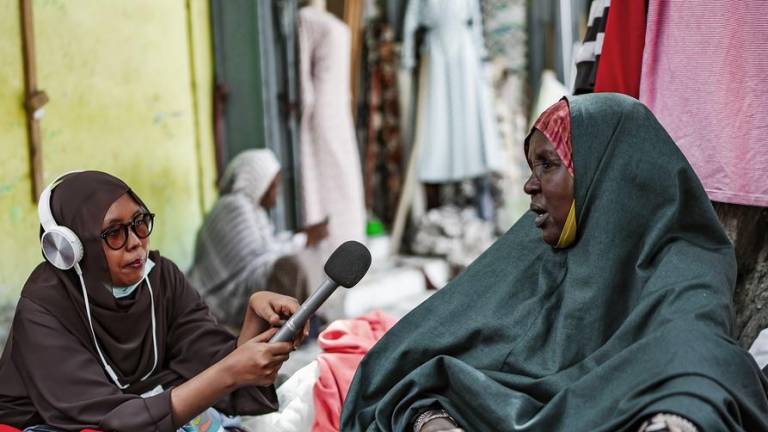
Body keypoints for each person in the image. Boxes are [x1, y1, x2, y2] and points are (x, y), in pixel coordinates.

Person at [340, 94, 768, 431]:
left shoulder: (682, 264)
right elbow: (417, 362)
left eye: (548, 165)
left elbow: (697, 360)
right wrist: (433, 422)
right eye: (532, 167)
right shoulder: (532, 252)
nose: (529, 185)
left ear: (609, 174)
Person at [0, 170, 308, 431]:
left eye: (140, 222)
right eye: (114, 233)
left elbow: (209, 365)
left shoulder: (161, 279)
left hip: (139, 406)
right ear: (71, 249)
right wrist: (229, 371)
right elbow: (112, 419)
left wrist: (252, 329)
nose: (135, 242)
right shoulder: (42, 309)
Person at [187, 149, 328, 328]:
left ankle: (304, 321)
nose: (277, 192)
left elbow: (267, 246)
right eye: (274, 185)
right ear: (257, 182)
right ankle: (295, 325)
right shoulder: (234, 207)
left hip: (240, 285)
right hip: (221, 298)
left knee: (298, 260)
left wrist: (300, 237)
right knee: (289, 268)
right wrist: (303, 239)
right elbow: (262, 258)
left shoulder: (253, 209)